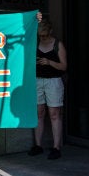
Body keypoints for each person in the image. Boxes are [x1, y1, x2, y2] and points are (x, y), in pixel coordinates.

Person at [28, 19, 67, 160]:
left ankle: (56, 147)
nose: (42, 38)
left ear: (50, 31)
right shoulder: (36, 43)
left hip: (53, 81)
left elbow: (63, 66)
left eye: (44, 35)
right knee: (39, 112)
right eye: (40, 36)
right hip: (37, 80)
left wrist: (49, 62)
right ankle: (38, 145)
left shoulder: (58, 45)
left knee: (54, 113)